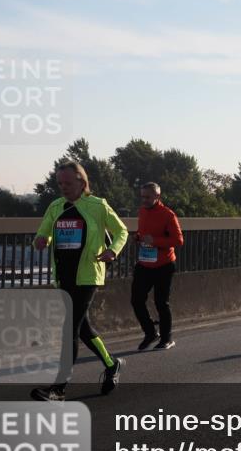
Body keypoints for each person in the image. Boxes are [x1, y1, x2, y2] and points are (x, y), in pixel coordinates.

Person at [31, 161, 128, 402]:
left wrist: (112, 251)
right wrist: (41, 240)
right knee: (82, 327)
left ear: (82, 183)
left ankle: (59, 389)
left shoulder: (97, 206)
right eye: (60, 183)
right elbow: (43, 234)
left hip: (87, 275)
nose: (63, 187)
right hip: (64, 275)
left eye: (68, 183)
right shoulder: (55, 206)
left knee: (69, 328)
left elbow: (122, 231)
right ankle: (112, 364)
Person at [131, 182, 184, 351]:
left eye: (147, 197)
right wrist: (138, 237)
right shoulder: (142, 211)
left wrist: (155, 241)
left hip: (164, 264)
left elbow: (178, 241)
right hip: (145, 263)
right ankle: (150, 333)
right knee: (136, 300)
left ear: (157, 197)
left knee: (161, 302)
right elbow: (144, 233)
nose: (144, 200)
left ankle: (167, 339)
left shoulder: (168, 215)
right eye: (142, 197)